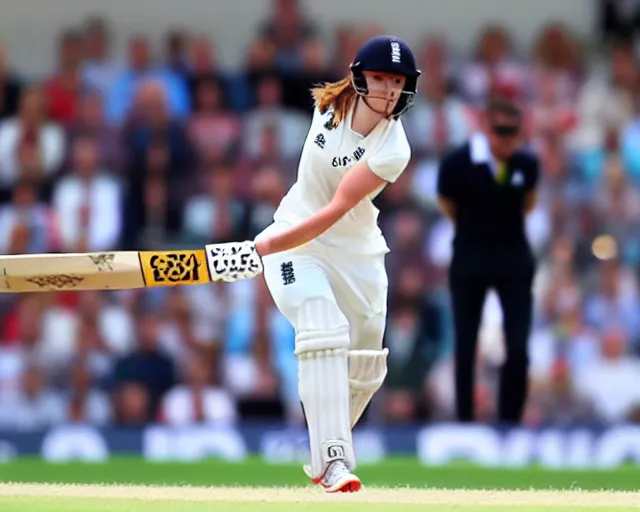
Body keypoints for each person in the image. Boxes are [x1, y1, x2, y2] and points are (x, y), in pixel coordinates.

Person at [203, 35, 421, 492]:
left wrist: (256, 248)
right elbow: (311, 213)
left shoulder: (393, 148)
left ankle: (322, 447)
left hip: (356, 252)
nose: (388, 91)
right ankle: (334, 462)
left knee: (363, 366)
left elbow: (334, 212)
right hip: (297, 242)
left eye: (397, 82)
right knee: (321, 328)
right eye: (380, 78)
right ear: (361, 77)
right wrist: (272, 245)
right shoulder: (329, 106)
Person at [436, 97, 539, 426]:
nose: (506, 140)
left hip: (513, 260)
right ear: (484, 127)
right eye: (500, 131)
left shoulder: (527, 164)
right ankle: (465, 421)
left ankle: (511, 421)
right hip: (470, 258)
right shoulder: (456, 164)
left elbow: (529, 204)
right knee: (465, 344)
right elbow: (447, 205)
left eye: (513, 132)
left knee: (518, 345)